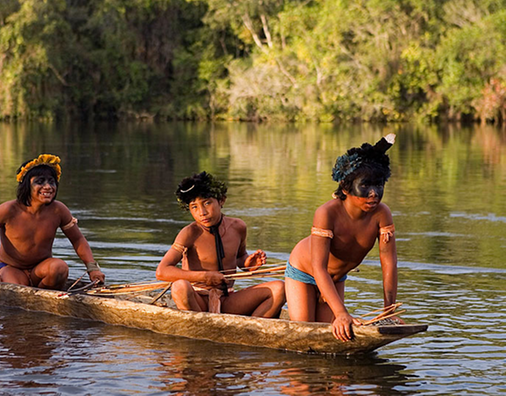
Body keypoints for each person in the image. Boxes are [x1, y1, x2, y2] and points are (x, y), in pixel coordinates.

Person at [285, 134, 400, 342]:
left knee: (336, 337)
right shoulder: (326, 213)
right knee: (305, 334)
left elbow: (389, 263)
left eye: (378, 185)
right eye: (365, 185)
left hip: (336, 277)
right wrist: (341, 312)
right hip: (305, 272)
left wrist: (388, 310)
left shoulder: (382, 214)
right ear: (346, 188)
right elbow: (318, 267)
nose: (373, 193)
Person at [0, 154, 105, 293]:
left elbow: (78, 239)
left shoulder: (58, 210)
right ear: (27, 186)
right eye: (40, 182)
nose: (47, 187)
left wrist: (92, 268)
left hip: (41, 270)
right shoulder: (8, 210)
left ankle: (42, 295)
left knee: (60, 268)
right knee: (16, 292)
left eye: (51, 182)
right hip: (11, 268)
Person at [156, 172, 285, 317]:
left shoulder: (238, 227)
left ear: (221, 200)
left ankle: (250, 331)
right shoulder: (189, 233)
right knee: (179, 287)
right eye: (194, 207)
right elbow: (162, 271)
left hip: (227, 299)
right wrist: (204, 277)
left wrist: (248, 264)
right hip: (198, 302)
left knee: (280, 288)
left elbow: (239, 257)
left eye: (207, 203)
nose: (202, 212)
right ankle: (200, 326)